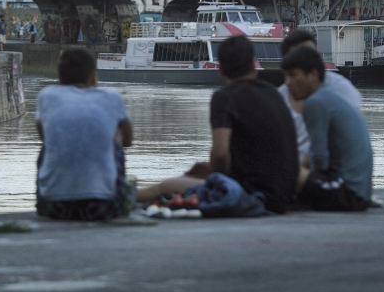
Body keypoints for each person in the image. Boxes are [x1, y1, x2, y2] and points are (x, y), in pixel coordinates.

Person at [137, 36, 299, 214]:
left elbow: (221, 154)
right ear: (254, 65)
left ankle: (125, 197)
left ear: (220, 70)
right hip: (285, 195)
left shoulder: (225, 97)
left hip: (254, 196)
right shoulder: (273, 93)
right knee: (193, 177)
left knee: (167, 186)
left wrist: (215, 176)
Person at [36, 48, 133, 221]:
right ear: (93, 77)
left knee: (50, 144)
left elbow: (44, 137)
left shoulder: (47, 96)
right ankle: (115, 193)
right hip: (102, 208)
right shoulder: (112, 96)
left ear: (59, 80)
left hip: (54, 208)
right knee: (115, 136)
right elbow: (127, 140)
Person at [282, 46, 373, 212]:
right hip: (360, 193)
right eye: (286, 76)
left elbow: (319, 158)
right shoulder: (330, 95)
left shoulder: (314, 103)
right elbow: (312, 155)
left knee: (282, 168)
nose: (288, 83)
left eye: (293, 75)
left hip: (347, 194)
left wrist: (304, 184)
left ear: (314, 75)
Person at [272, 30, 363, 167]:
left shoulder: (341, 88)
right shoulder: (279, 98)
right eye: (300, 57)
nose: (309, 60)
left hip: (329, 170)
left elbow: (347, 140)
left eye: (312, 54)